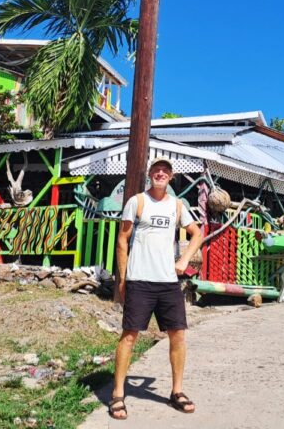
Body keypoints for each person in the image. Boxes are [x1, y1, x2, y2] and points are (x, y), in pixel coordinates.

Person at [108, 158, 204, 420]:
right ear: (150, 174)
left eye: (165, 171)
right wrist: (123, 279)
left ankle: (177, 391)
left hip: (168, 283)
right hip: (140, 279)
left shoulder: (177, 205)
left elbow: (197, 233)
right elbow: (122, 239)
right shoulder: (137, 201)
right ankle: (117, 394)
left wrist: (183, 260)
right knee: (129, 335)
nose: (160, 174)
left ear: (170, 177)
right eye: (156, 170)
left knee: (178, 335)